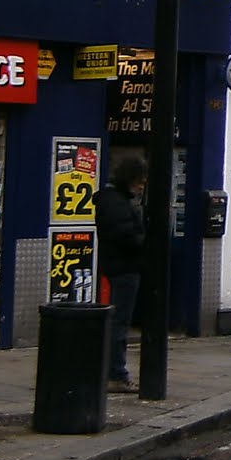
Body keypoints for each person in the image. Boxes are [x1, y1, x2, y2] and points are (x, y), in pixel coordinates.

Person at [93, 155, 146, 393]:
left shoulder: (113, 201)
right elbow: (127, 237)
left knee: (118, 321)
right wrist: (145, 241)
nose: (141, 186)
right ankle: (116, 373)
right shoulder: (118, 204)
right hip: (124, 268)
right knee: (120, 322)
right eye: (139, 181)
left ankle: (113, 370)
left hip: (117, 266)